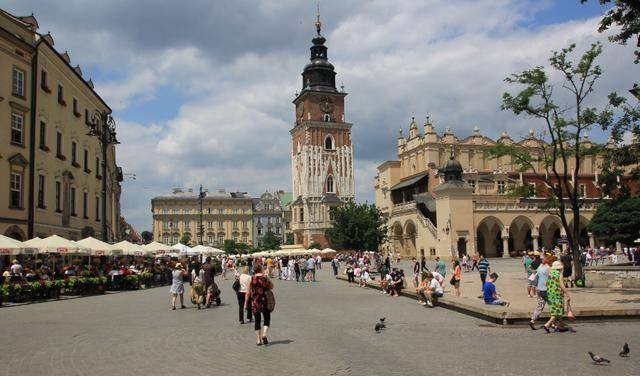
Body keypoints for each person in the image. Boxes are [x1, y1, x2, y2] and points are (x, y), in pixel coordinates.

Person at [246, 263, 273, 346]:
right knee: (266, 319)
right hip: (265, 300)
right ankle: (264, 334)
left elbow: (248, 292)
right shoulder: (265, 277)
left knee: (257, 321)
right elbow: (271, 287)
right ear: (261, 268)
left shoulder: (251, 278)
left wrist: (246, 303)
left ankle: (258, 340)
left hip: (255, 301)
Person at [543, 261, 572, 333]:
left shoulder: (550, 273)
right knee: (557, 310)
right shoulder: (559, 274)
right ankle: (547, 324)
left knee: (556, 309)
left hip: (550, 293)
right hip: (557, 293)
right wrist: (567, 293)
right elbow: (562, 285)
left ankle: (560, 326)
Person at [530, 256, 551, 330]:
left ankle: (532, 320)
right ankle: (553, 323)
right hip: (547, 290)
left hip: (539, 289)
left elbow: (536, 277)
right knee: (552, 306)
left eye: (542, 258)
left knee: (540, 306)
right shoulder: (548, 268)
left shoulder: (539, 267)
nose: (541, 259)